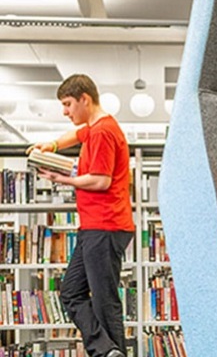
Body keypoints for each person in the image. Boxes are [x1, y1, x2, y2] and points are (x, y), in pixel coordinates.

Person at [27, 74, 133, 357]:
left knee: (104, 301)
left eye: (68, 104)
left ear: (85, 98)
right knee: (71, 292)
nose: (65, 111)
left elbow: (101, 181)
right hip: (94, 226)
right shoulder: (94, 127)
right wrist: (50, 146)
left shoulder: (102, 132)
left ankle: (109, 352)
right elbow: (75, 134)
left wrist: (60, 177)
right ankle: (106, 350)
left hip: (106, 224)